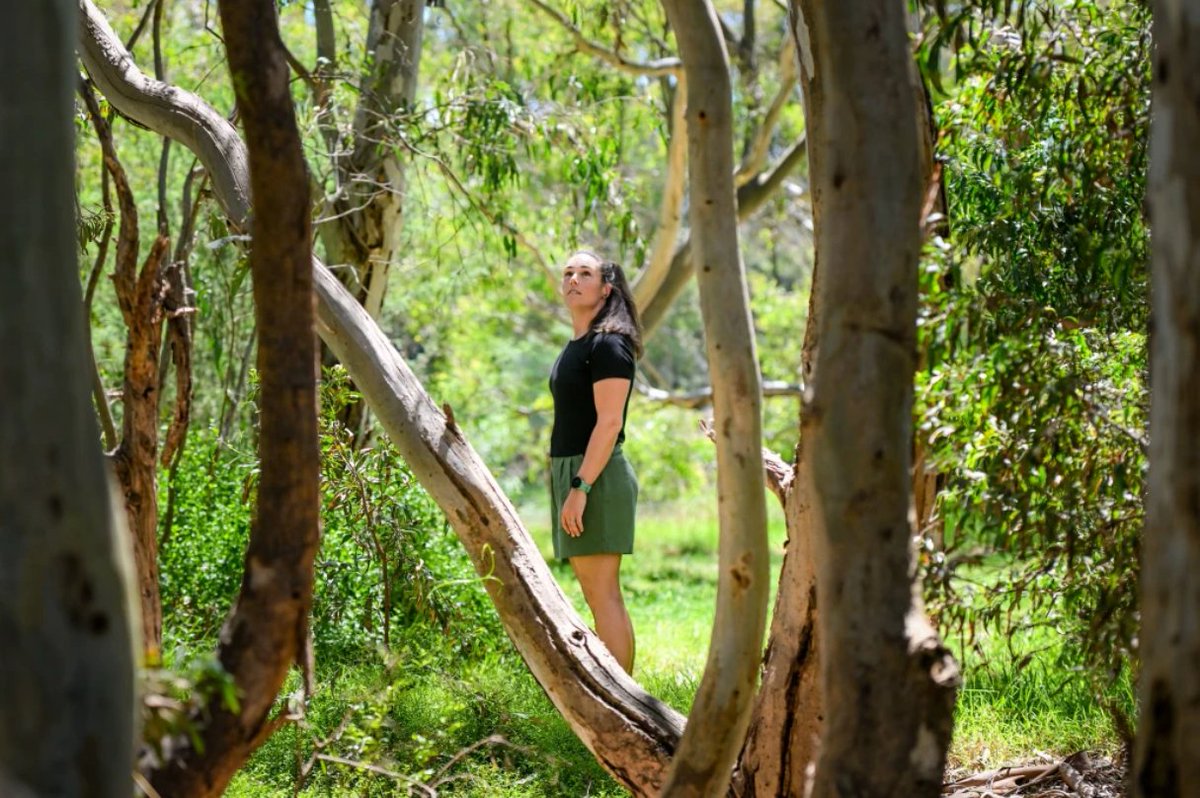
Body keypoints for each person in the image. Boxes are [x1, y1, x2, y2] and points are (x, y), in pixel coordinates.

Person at [548, 249, 642, 675]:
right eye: (568, 272)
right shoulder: (579, 344)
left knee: (604, 595)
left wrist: (581, 488)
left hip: (595, 476)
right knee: (594, 592)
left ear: (606, 288)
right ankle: (613, 690)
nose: (573, 279)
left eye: (584, 273)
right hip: (573, 471)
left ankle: (623, 698)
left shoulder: (608, 345)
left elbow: (608, 424)